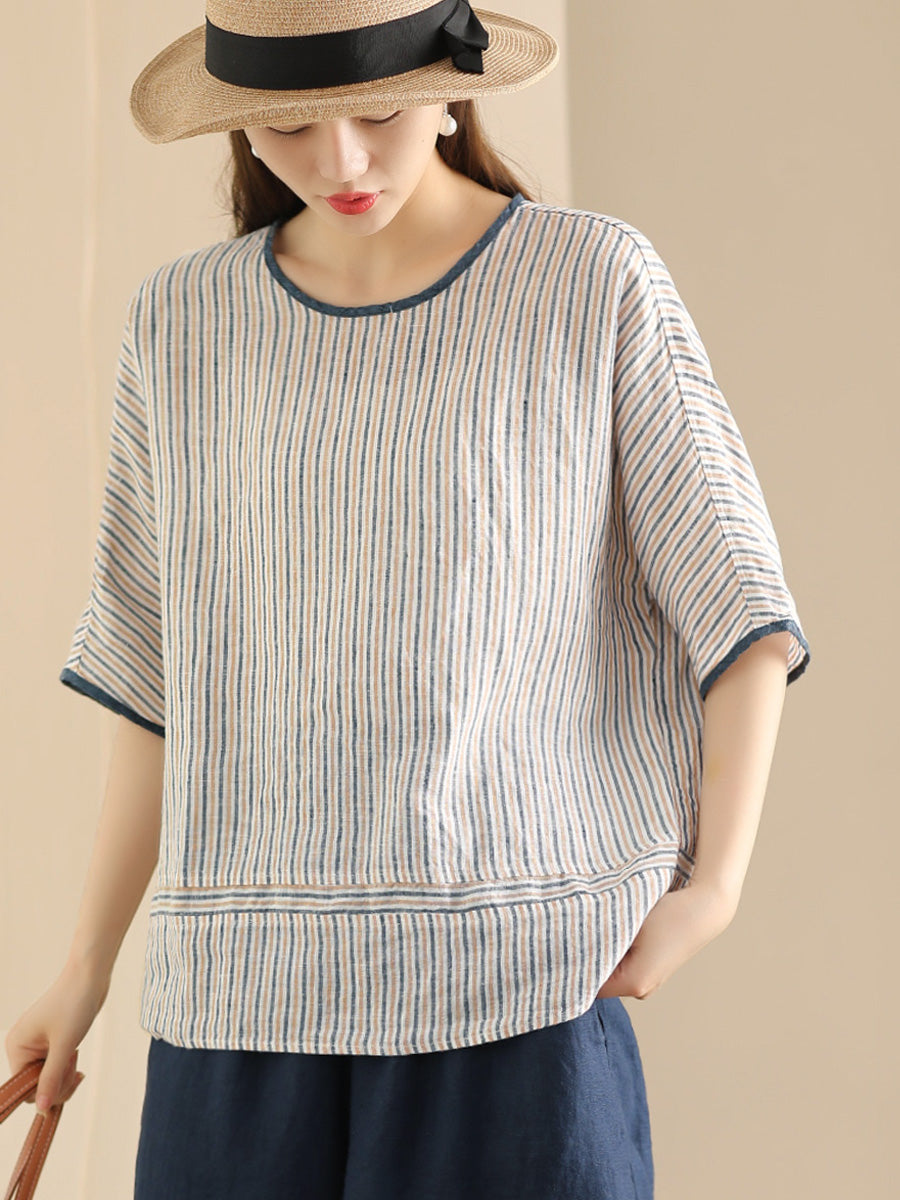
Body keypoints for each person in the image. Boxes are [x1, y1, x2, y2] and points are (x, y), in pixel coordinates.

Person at [4, 2, 812, 1197]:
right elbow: (155, 675)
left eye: (378, 110)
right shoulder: (179, 321)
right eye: (289, 124)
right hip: (233, 1011)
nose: (339, 160)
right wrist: (85, 968)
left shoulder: (587, 280)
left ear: (450, 89)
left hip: (517, 992)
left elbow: (737, 603)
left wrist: (717, 888)